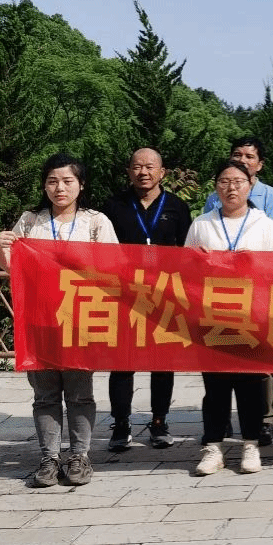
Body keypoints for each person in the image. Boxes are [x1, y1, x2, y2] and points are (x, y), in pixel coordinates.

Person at [0, 153, 117, 488]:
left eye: (67, 181)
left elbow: (115, 268)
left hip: (80, 320)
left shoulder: (96, 223)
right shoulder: (31, 221)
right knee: (45, 395)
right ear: (44, 186)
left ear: (81, 185)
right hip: (39, 319)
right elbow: (10, 265)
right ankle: (49, 458)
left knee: (79, 393)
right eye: (52, 181)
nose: (60, 188)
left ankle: (79, 456)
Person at [186, 160, 273, 476]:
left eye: (238, 181)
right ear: (216, 186)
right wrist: (197, 262)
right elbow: (184, 270)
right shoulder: (202, 224)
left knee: (250, 384)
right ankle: (213, 447)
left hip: (250, 315)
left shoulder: (264, 225)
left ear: (250, 185)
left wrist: (255, 264)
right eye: (225, 181)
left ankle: (251, 444)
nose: (231, 187)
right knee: (215, 385)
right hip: (212, 315)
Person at [100, 147, 192, 450]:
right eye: (137, 166)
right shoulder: (113, 206)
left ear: (162, 172)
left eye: (150, 167)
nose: (143, 172)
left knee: (162, 361)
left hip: (165, 293)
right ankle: (121, 423)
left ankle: (159, 422)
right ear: (129, 172)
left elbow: (187, 251)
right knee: (122, 361)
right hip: (124, 294)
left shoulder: (177, 206)